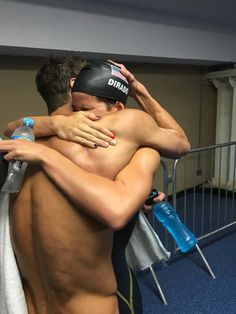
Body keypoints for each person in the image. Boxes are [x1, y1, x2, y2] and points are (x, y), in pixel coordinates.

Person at [1, 59, 190, 314]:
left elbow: (12, 127)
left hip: (29, 303)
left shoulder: (25, 138)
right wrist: (139, 91)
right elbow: (180, 143)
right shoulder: (122, 126)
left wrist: (52, 126)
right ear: (74, 85)